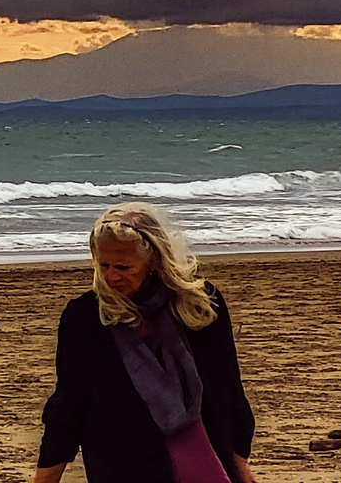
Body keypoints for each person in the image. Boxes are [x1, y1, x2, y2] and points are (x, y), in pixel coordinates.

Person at [32, 203, 257, 483]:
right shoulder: (85, 318)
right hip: (122, 466)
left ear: (153, 259)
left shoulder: (200, 305)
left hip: (203, 457)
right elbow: (67, 407)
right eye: (103, 265)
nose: (111, 276)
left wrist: (240, 465)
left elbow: (229, 390)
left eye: (124, 266)